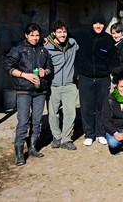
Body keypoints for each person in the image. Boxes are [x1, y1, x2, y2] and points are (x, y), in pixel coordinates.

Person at [4, 23, 54, 166]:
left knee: (37, 120)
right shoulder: (18, 49)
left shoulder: (43, 50)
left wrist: (46, 72)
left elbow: (50, 67)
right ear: (26, 35)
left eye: (37, 35)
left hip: (40, 90)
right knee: (23, 121)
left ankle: (33, 147)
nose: (35, 38)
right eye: (32, 35)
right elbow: (8, 67)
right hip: (23, 90)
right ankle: (19, 153)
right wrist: (25, 75)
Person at [71, 13, 118, 146]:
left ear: (104, 26)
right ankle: (89, 134)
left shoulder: (108, 40)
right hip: (85, 77)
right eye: (96, 23)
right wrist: (50, 38)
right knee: (86, 107)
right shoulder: (82, 34)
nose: (98, 26)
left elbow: (114, 62)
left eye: (101, 23)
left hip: (103, 79)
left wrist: (114, 81)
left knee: (101, 107)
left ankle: (100, 133)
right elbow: (64, 33)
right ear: (92, 24)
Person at [46, 19, 79, 151]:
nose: (62, 35)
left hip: (69, 85)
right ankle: (57, 137)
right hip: (53, 85)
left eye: (64, 31)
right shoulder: (47, 47)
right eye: (59, 32)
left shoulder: (72, 43)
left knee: (70, 112)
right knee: (53, 113)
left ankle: (66, 139)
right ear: (54, 33)